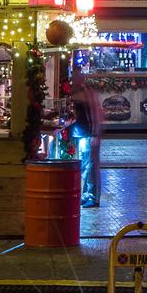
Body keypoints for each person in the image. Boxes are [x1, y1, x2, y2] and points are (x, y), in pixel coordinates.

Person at [66, 77, 103, 206]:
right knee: (86, 165)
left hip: (87, 133)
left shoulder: (83, 92)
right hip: (84, 133)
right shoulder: (81, 92)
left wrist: (94, 133)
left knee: (89, 166)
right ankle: (87, 194)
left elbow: (93, 114)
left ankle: (92, 196)